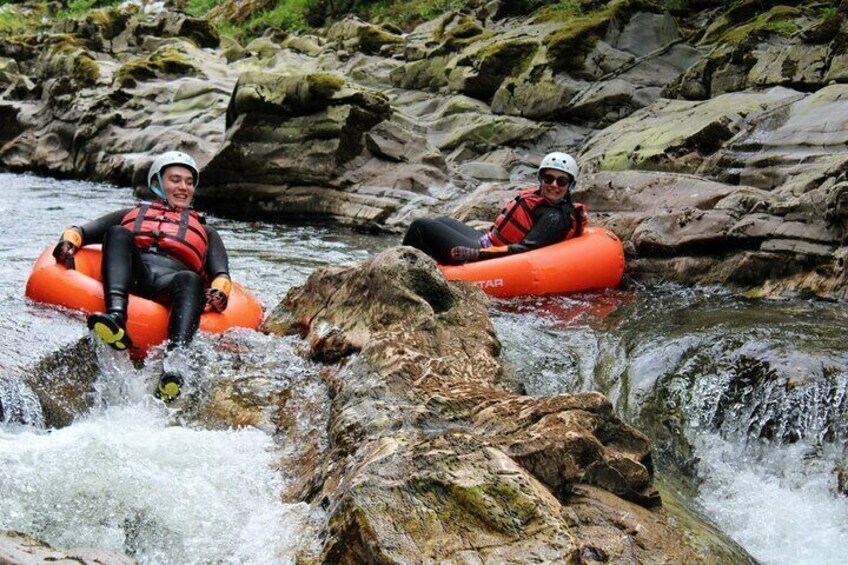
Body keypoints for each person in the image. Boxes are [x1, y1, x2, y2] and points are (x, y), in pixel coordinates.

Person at [51, 151, 232, 402]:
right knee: (117, 233)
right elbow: (80, 231)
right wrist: (68, 243)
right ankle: (116, 318)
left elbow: (221, 274)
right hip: (134, 274)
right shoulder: (129, 214)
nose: (183, 187)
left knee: (190, 278)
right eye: (175, 180)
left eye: (189, 182)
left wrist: (219, 292)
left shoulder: (207, 231)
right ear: (157, 183)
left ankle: (174, 365)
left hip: (171, 284)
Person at [402, 152, 586, 264]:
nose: (553, 184)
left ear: (570, 185)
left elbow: (523, 250)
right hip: (488, 242)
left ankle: (397, 268)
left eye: (561, 181)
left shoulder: (554, 217)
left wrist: (476, 254)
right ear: (540, 179)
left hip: (489, 254)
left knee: (420, 226)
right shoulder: (543, 201)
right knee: (440, 220)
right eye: (548, 178)